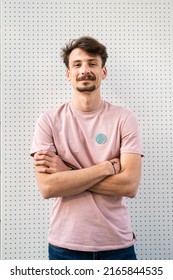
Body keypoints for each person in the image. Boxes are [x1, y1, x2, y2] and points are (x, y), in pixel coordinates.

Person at [30, 36, 143, 260]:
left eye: (92, 63)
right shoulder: (48, 121)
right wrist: (107, 167)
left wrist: (67, 175)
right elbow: (48, 188)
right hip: (65, 246)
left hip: (117, 246)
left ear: (103, 72)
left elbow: (129, 185)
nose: (85, 70)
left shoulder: (124, 118)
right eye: (77, 64)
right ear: (68, 74)